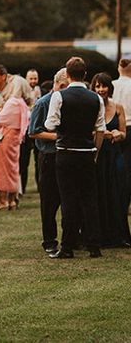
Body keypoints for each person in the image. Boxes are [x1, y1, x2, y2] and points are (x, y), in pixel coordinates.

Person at [45, 56, 105, 259]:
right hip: (87, 154)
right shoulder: (95, 98)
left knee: (68, 200)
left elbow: (50, 124)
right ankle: (94, 245)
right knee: (90, 200)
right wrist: (95, 152)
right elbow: (101, 129)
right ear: (85, 75)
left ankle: (67, 247)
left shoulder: (59, 96)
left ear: (67, 75)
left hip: (66, 153)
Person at [28, 68, 69, 255]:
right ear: (60, 85)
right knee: (49, 201)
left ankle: (71, 238)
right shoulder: (42, 103)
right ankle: (49, 240)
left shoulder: (67, 101)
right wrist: (57, 137)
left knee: (68, 199)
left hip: (66, 155)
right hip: (48, 157)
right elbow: (33, 131)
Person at [91, 72, 131, 248]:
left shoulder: (119, 107)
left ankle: (119, 235)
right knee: (100, 193)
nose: (101, 89)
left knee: (118, 193)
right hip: (97, 155)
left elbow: (123, 133)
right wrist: (100, 134)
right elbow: (86, 131)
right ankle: (100, 236)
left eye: (104, 86)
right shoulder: (90, 107)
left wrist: (117, 134)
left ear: (110, 87)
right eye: (98, 86)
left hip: (115, 154)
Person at [0, 95, 28, 211]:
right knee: (13, 169)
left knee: (1, 169)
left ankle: (3, 201)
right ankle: (12, 201)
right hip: (15, 138)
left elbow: (0, 119)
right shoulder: (22, 104)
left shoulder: (12, 103)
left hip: (6, 137)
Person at [113, 58, 131, 218]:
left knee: (117, 167)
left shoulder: (111, 85)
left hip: (112, 128)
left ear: (119, 68)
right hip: (129, 128)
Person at [19, 68, 41, 193]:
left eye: (35, 78)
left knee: (39, 160)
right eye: (31, 78)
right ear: (26, 79)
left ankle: (40, 186)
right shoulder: (22, 94)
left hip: (38, 128)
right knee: (23, 160)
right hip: (25, 129)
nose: (33, 81)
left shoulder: (41, 91)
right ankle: (22, 187)